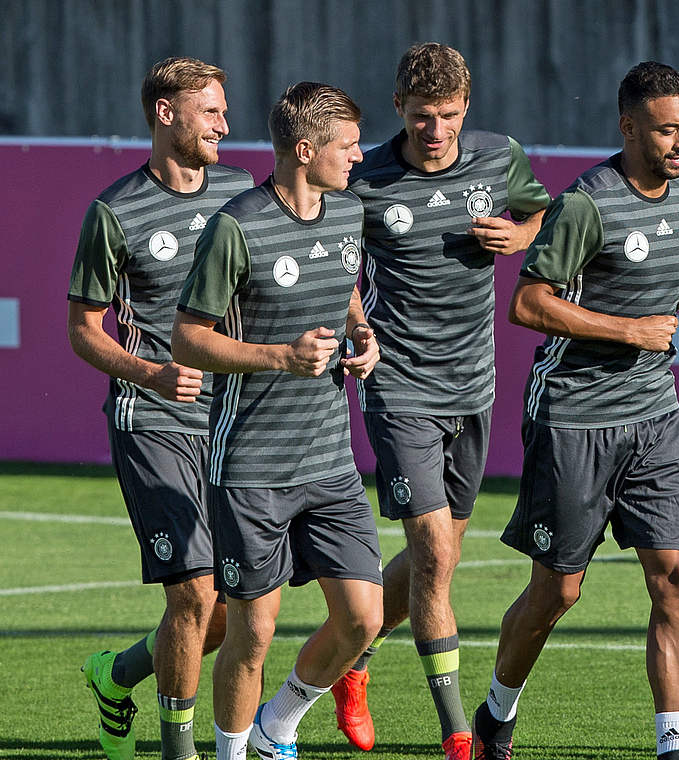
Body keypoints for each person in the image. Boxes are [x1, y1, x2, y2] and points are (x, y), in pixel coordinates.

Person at [467, 61, 679, 760]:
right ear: (628, 127)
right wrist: (629, 330)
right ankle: (497, 711)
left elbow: (656, 272)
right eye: (668, 129)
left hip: (656, 416)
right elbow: (529, 303)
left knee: (677, 580)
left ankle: (675, 747)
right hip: (574, 418)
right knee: (558, 592)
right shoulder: (587, 202)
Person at [339, 42, 550, 760]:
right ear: (399, 108)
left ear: (468, 108)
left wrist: (519, 232)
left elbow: (540, 213)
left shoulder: (497, 157)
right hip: (398, 385)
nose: (437, 131)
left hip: (474, 384)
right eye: (424, 117)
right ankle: (459, 733)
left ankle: (352, 659)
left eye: (451, 117)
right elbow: (330, 257)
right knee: (431, 547)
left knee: (443, 556)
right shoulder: (363, 174)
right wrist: (358, 324)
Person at [171, 81, 384, 760]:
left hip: (330, 462)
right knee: (252, 633)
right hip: (251, 468)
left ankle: (278, 726)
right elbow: (186, 338)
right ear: (305, 148)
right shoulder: (236, 226)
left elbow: (344, 283)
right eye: (346, 146)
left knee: (363, 619)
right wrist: (278, 356)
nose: (357, 157)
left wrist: (362, 331)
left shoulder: (347, 214)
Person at [69, 56, 252, 760]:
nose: (225, 125)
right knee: (195, 593)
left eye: (225, 111)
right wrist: (149, 372)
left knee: (234, 606)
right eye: (211, 111)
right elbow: (83, 330)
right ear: (166, 113)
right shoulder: (113, 213)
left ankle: (114, 676)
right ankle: (181, 751)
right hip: (153, 424)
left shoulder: (242, 194)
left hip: (235, 426)